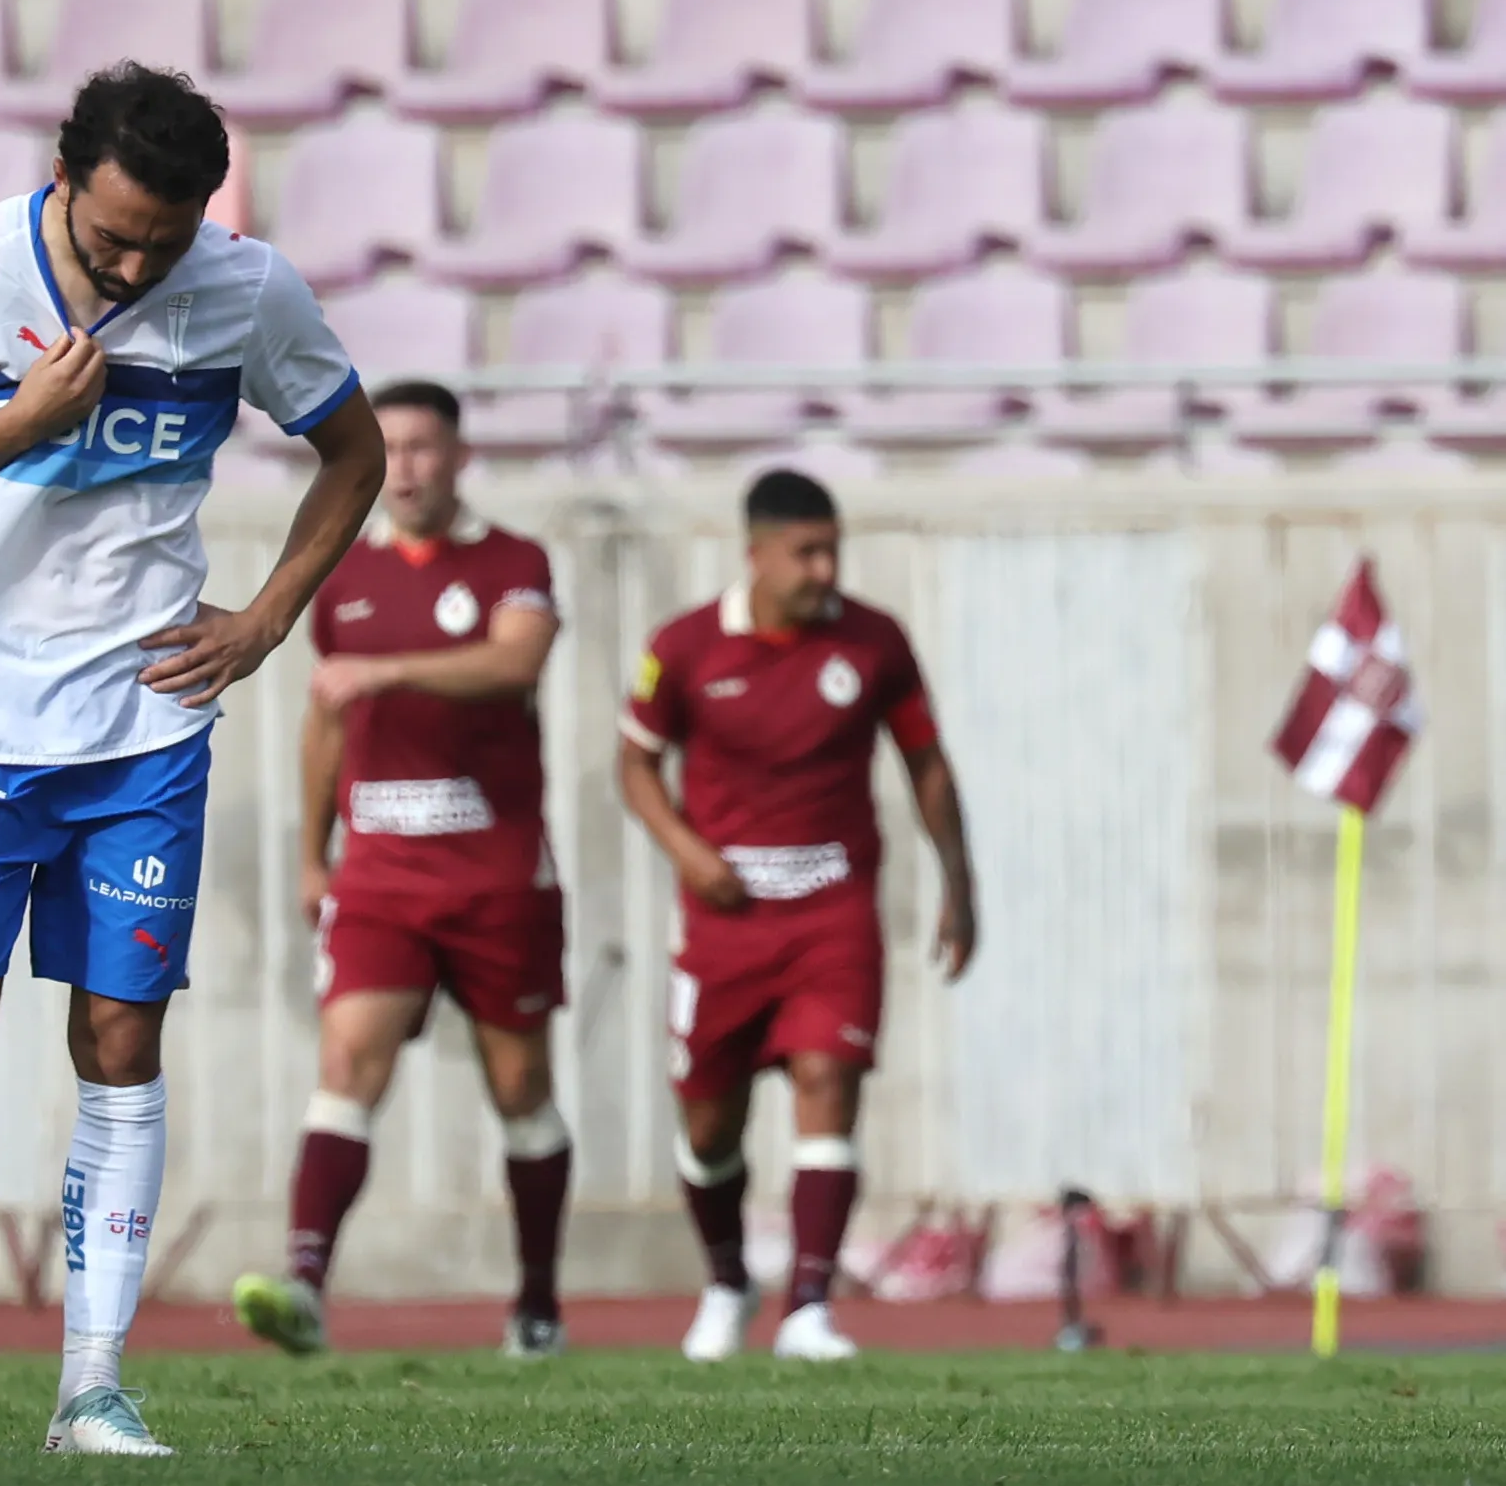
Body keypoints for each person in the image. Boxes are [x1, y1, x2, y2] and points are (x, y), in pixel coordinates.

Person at [0, 63, 386, 1460]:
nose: (137, 263)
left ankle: (91, 1385)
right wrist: (16, 426)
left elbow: (352, 452)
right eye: (113, 233)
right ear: (63, 176)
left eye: (167, 237)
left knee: (121, 1036)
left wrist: (262, 622)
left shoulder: (245, 290)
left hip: (143, 726)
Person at [230, 379, 574, 1361]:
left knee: (521, 1090)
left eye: (428, 447)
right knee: (345, 1067)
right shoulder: (341, 580)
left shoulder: (515, 562)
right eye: (395, 449)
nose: (411, 467)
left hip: (499, 873)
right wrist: (310, 853)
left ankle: (539, 1301)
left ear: (462, 458)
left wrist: (388, 669)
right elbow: (322, 725)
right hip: (380, 874)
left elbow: (515, 663)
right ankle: (303, 1282)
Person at [617, 467, 977, 1364]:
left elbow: (926, 763)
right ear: (756, 552)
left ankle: (809, 1304)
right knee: (709, 1123)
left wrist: (959, 884)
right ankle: (728, 1279)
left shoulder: (873, 643)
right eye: (805, 552)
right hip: (722, 921)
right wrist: (688, 850)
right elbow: (632, 765)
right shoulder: (687, 646)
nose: (824, 569)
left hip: (832, 910)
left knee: (830, 1080)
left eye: (833, 549)